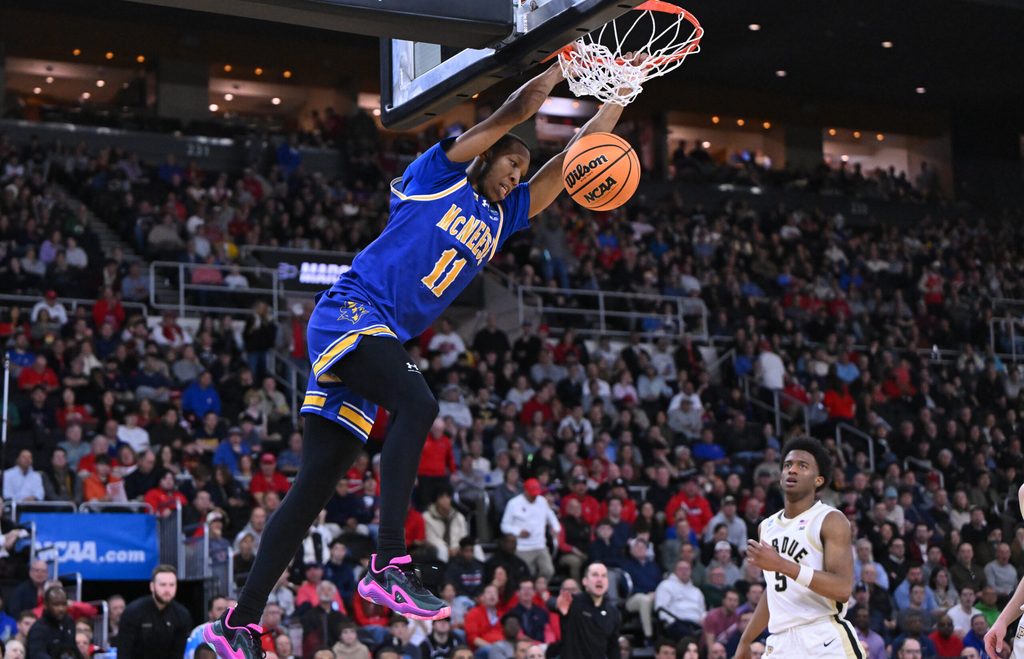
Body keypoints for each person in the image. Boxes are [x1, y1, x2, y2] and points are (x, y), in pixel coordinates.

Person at [201, 58, 638, 653]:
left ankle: (240, 625)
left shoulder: (502, 215)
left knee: (313, 489)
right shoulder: (440, 174)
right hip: (351, 314)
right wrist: (562, 64)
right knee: (419, 405)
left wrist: (619, 94)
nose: (516, 176)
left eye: (520, 171)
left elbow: (576, 162)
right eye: (512, 164)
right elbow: (514, 114)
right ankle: (387, 562)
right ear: (485, 156)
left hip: (377, 336)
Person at [736, 437, 861, 659]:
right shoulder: (767, 526)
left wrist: (782, 565)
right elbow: (775, 590)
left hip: (823, 637)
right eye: (787, 465)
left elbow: (842, 589)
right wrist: (746, 640)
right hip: (780, 643)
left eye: (802, 466)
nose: (792, 470)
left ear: (818, 480)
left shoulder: (830, 519)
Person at [117, 565, 193, 658]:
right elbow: (124, 653)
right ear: (152, 586)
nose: (167, 590)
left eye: (172, 585)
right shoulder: (133, 612)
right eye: (163, 584)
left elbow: (177, 654)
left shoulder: (182, 615)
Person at [556, 562, 621, 659]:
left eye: (603, 576)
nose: (600, 579)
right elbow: (553, 603)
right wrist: (557, 606)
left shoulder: (613, 612)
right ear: (585, 581)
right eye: (595, 575)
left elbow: (613, 649)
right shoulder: (573, 603)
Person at [500, 478, 561, 579]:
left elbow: (552, 517)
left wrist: (556, 529)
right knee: (527, 573)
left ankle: (540, 589)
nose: (534, 496)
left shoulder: (542, 501)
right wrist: (518, 532)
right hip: (522, 547)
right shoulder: (513, 503)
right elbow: (504, 526)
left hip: (540, 545)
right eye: (532, 493)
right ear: (525, 491)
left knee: (548, 571)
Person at [25, 586, 75, 659]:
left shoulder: (69, 622)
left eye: (64, 604)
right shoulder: (38, 629)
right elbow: (37, 655)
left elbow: (74, 650)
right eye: (56, 605)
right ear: (45, 605)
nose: (61, 609)